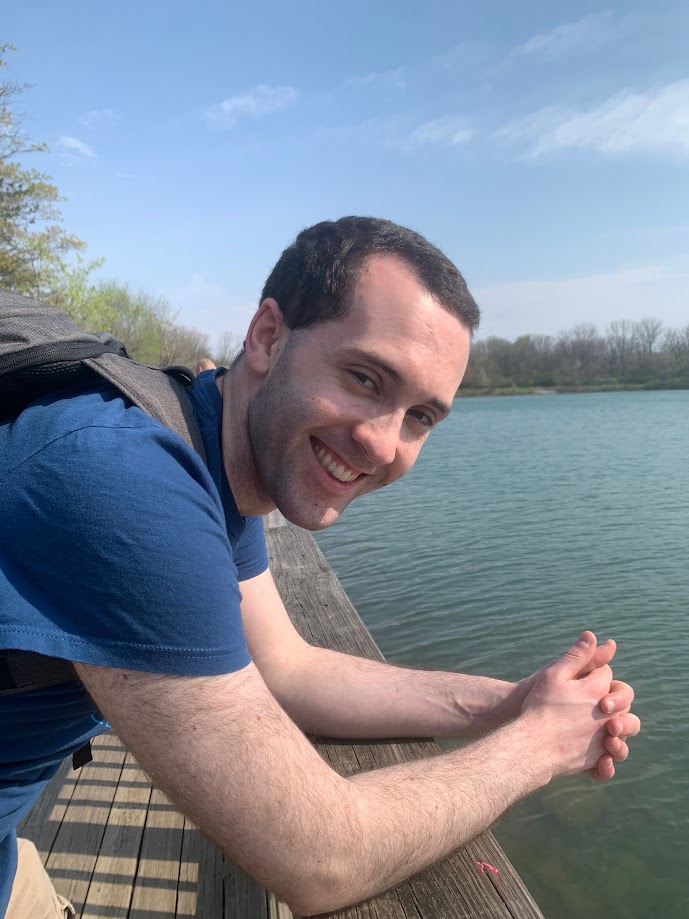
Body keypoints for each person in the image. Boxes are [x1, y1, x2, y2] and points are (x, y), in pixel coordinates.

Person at [0, 216, 639, 918]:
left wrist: (510, 701)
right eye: (365, 378)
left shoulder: (208, 449)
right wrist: (538, 746)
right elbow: (321, 857)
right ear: (267, 337)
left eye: (420, 417)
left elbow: (287, 668)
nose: (382, 444)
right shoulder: (125, 480)